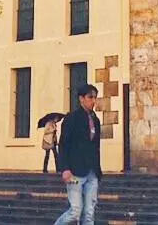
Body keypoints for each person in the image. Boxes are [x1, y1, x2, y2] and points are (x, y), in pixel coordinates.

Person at [52, 84, 102, 225]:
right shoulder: (72, 118)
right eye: (90, 97)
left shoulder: (96, 121)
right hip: (75, 172)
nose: (93, 101)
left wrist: (98, 172)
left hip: (92, 172)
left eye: (95, 97)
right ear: (81, 99)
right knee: (75, 211)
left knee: (89, 213)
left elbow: (96, 147)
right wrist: (65, 168)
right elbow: (63, 144)